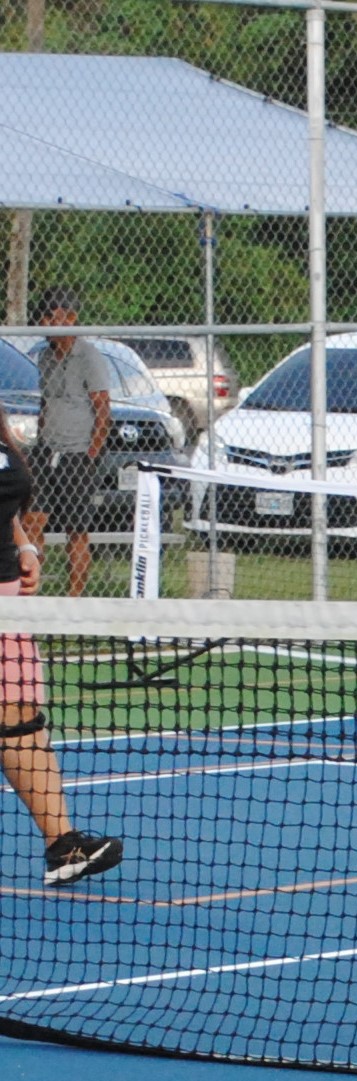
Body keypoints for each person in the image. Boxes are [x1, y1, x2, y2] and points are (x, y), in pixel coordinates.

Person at [0, 399, 123, 885]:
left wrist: (26, 546)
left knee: (22, 716)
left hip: (9, 598)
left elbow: (6, 502)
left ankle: (64, 847)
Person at [23, 287, 111, 599]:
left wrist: (92, 453)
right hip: (47, 450)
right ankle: (33, 591)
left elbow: (102, 408)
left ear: (70, 318)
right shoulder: (45, 357)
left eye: (52, 315)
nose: (45, 321)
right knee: (33, 520)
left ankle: (74, 600)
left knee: (76, 528)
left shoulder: (89, 357)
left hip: (78, 453)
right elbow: (47, 403)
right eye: (43, 315)